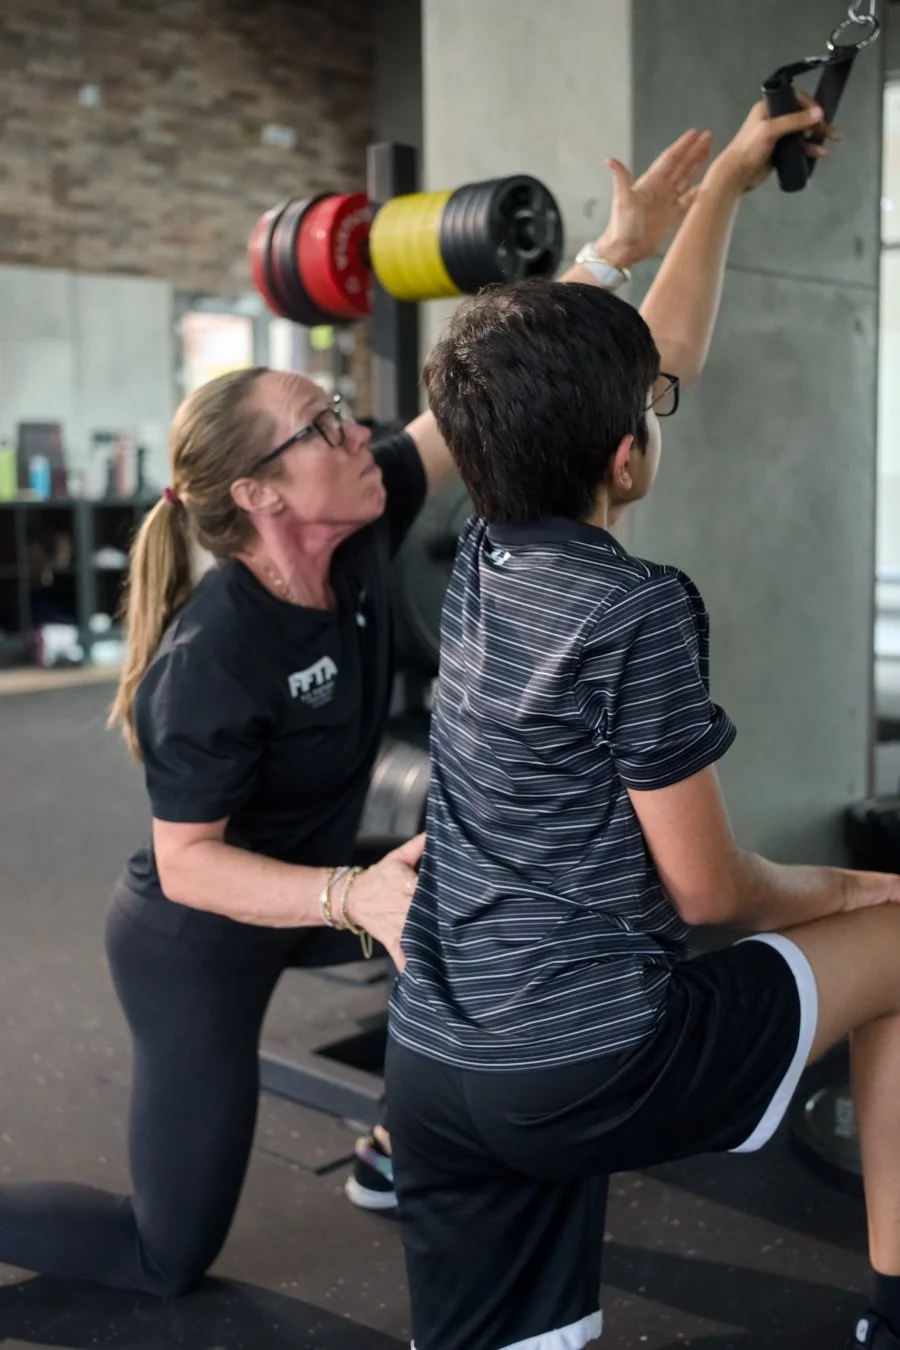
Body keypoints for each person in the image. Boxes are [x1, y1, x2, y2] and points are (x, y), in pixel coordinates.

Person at [0, 102, 776, 1297]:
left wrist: (614, 253)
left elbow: (514, 390)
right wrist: (348, 893)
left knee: (489, 906)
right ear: (260, 496)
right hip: (203, 937)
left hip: (328, 876)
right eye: (319, 427)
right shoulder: (210, 657)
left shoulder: (364, 516)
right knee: (165, 1253)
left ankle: (398, 1143)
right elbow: (191, 864)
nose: (355, 428)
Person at [385, 103, 900, 1350]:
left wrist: (718, 191)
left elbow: (579, 372)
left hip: (436, 1061)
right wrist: (846, 889)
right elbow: (709, 891)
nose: (667, 399)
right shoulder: (632, 606)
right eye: (653, 407)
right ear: (626, 457)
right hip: (587, 1065)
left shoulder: (479, 551)